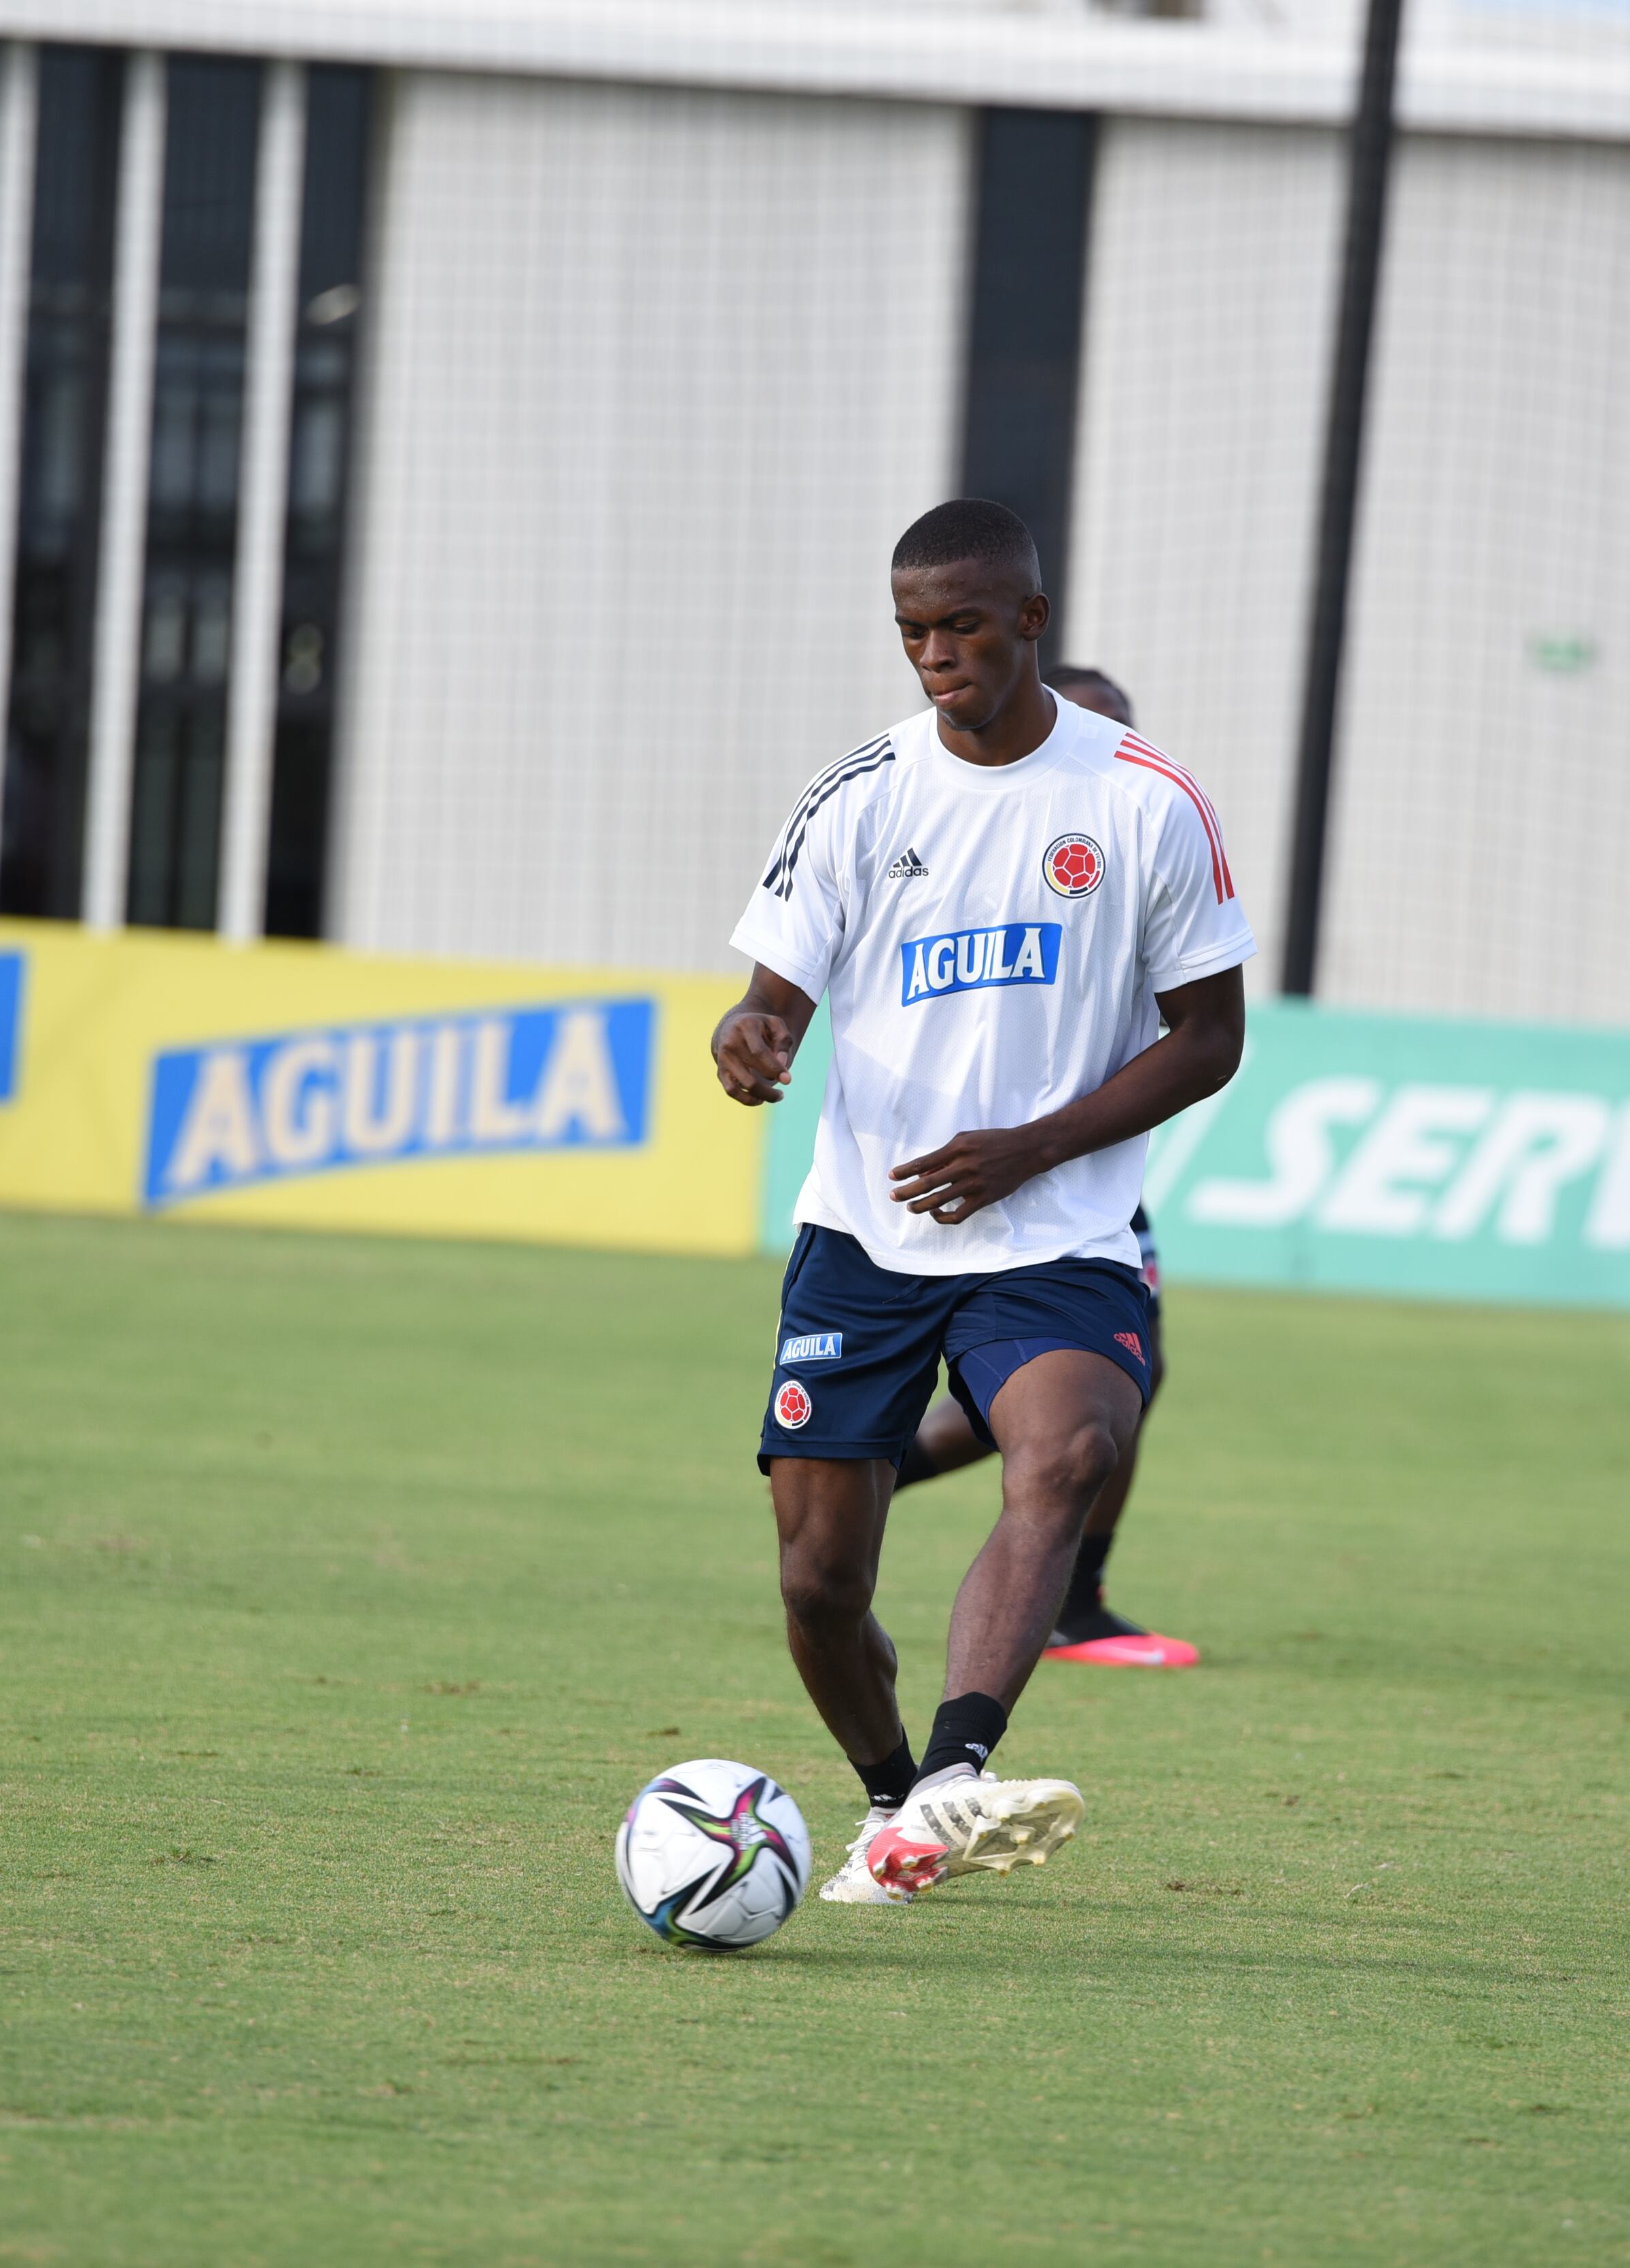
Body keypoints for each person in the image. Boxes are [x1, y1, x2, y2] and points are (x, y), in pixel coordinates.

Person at [713, 500, 1252, 1905]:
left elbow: (1211, 1038)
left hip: (1056, 1230)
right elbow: (773, 994)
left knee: (1068, 1452)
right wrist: (754, 1038)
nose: (935, 654)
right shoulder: (858, 794)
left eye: (960, 625)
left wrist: (1035, 1147)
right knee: (819, 1589)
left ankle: (958, 1769)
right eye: (911, 632)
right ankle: (893, 1807)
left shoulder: (1143, 799)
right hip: (864, 1235)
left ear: (1029, 621)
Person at [892, 665, 1199, 1673]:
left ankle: (1068, 1587)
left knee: (1114, 1375)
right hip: (989, 1162)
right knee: (1068, 1378)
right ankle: (861, 1468)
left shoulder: (1141, 834)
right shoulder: (988, 843)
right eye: (1092, 733)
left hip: (1087, 1165)